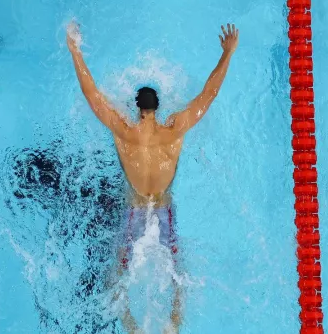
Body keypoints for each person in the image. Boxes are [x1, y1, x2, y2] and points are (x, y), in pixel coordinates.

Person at [65, 21, 238, 334]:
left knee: (118, 271)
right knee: (176, 273)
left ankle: (131, 326)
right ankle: (173, 323)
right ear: (158, 108)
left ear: (136, 108)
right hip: (164, 212)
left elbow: (92, 95)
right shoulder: (174, 132)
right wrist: (227, 54)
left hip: (134, 212)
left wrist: (75, 50)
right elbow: (208, 95)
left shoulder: (124, 132)